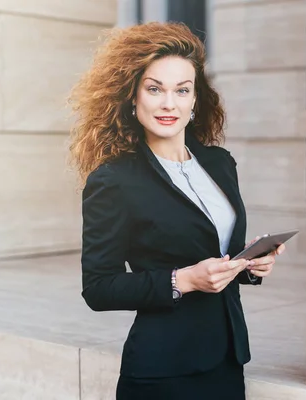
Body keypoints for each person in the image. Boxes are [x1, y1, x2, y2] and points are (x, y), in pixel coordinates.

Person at [68, 22, 285, 400]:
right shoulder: (114, 180)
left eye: (182, 90)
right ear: (132, 98)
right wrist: (183, 280)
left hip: (228, 360)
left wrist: (248, 266)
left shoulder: (220, 164)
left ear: (194, 100)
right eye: (155, 89)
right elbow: (99, 288)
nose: (169, 103)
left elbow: (213, 251)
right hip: (163, 372)